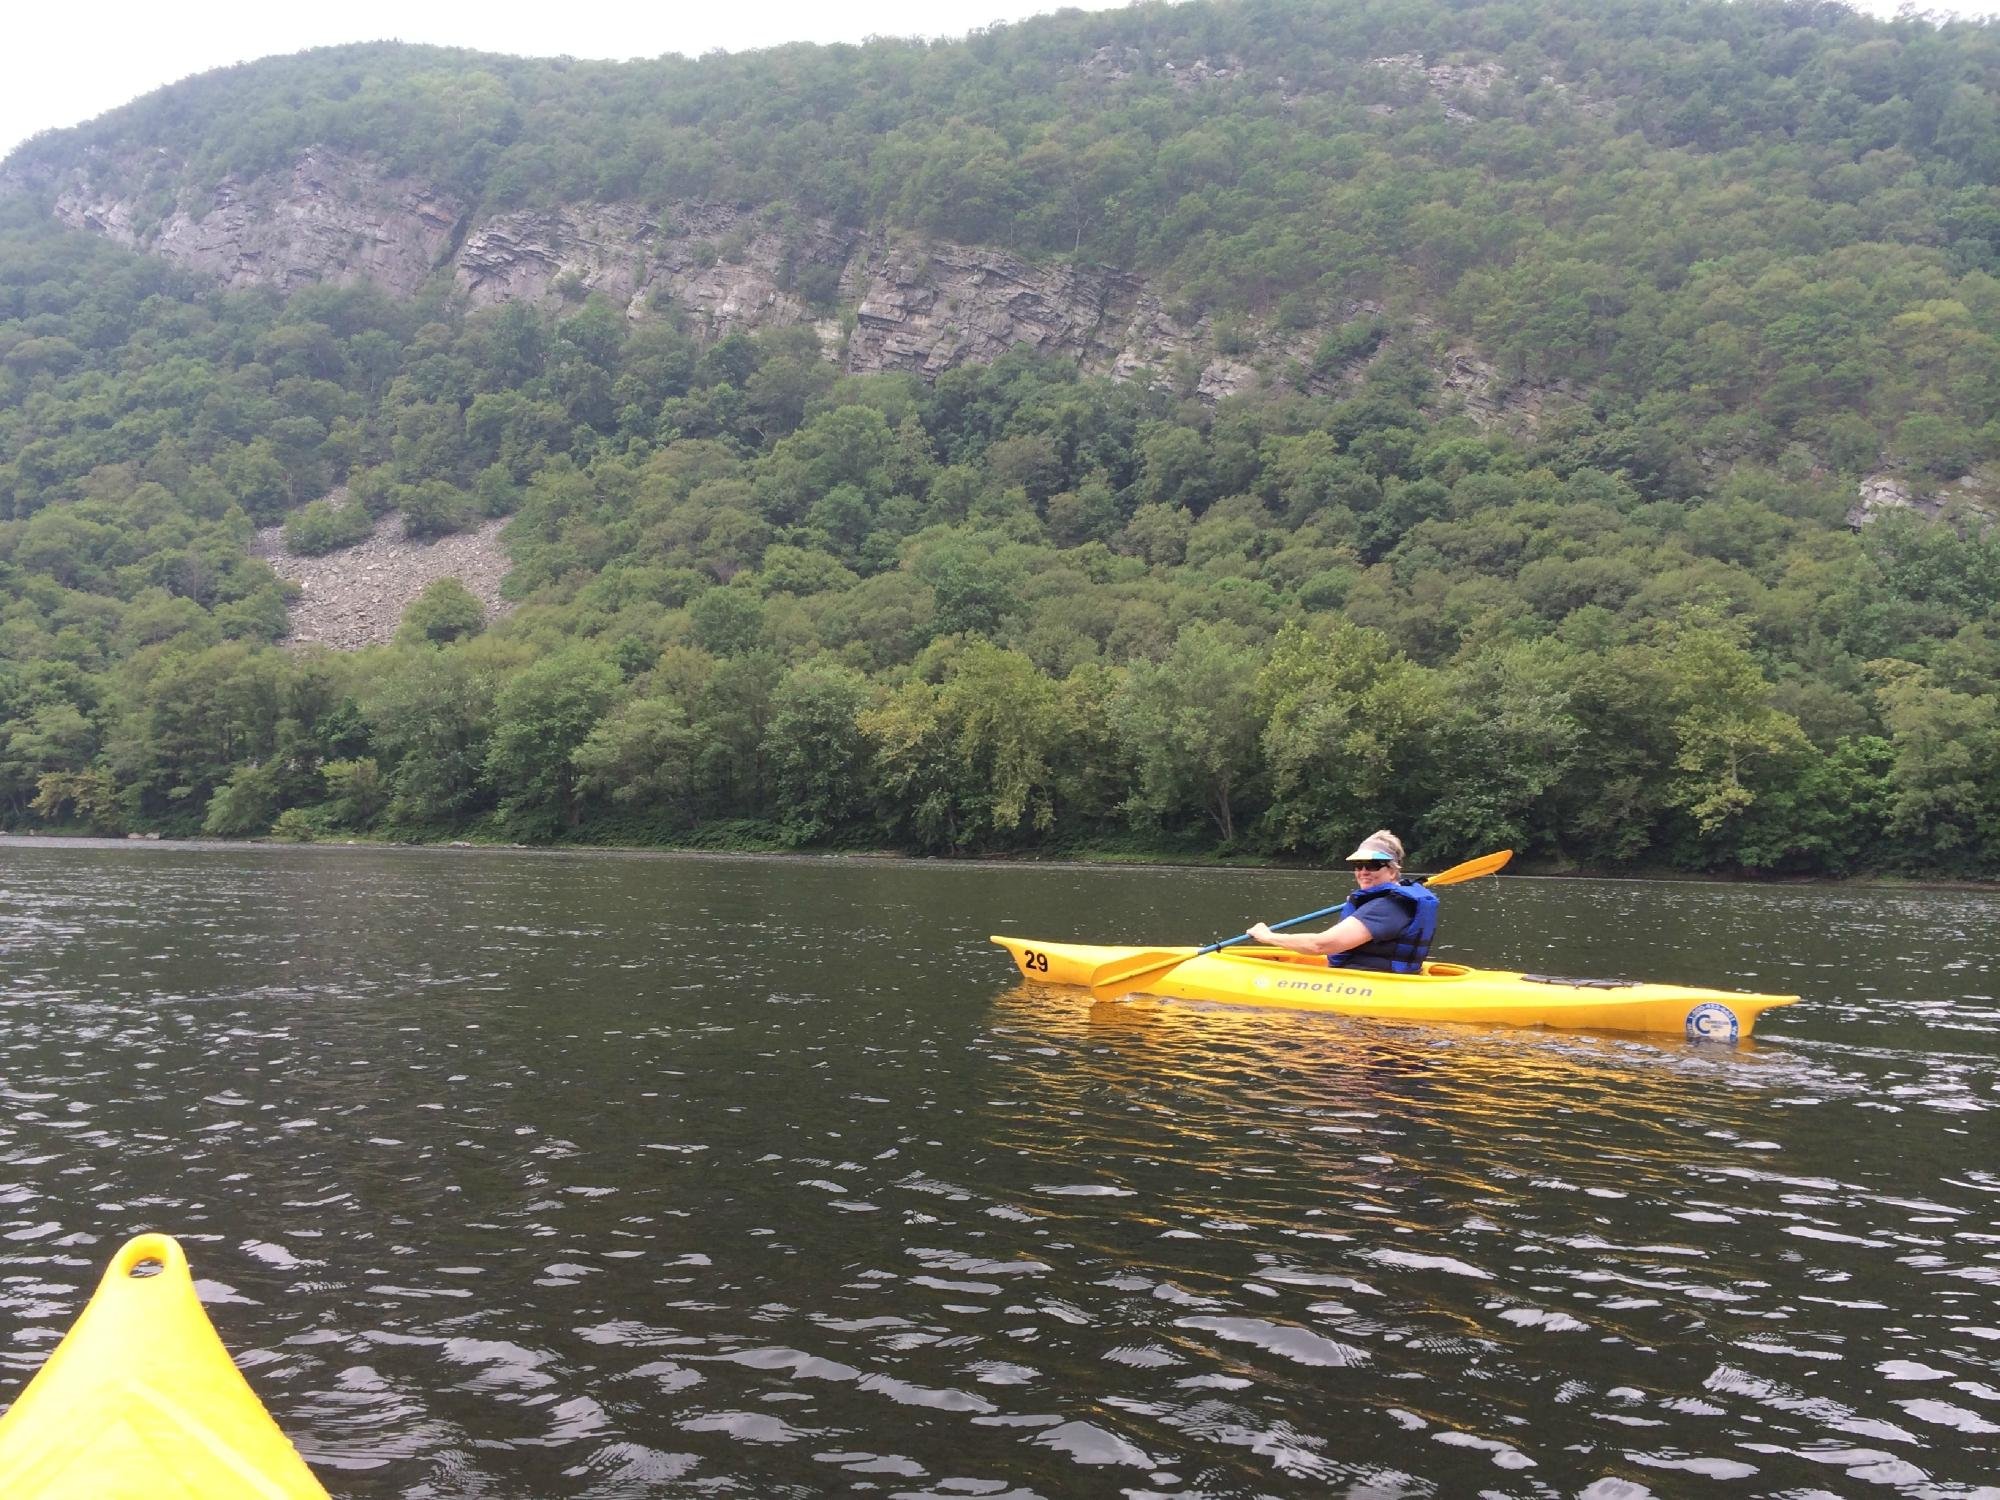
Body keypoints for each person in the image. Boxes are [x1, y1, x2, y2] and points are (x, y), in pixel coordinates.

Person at [1246, 830, 1438, 973]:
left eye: (1372, 865)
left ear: (1392, 870)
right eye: (1358, 865)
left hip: (1371, 985)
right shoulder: (1387, 902)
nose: (1363, 871)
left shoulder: (1385, 907)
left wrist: (1267, 936)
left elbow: (1320, 946)